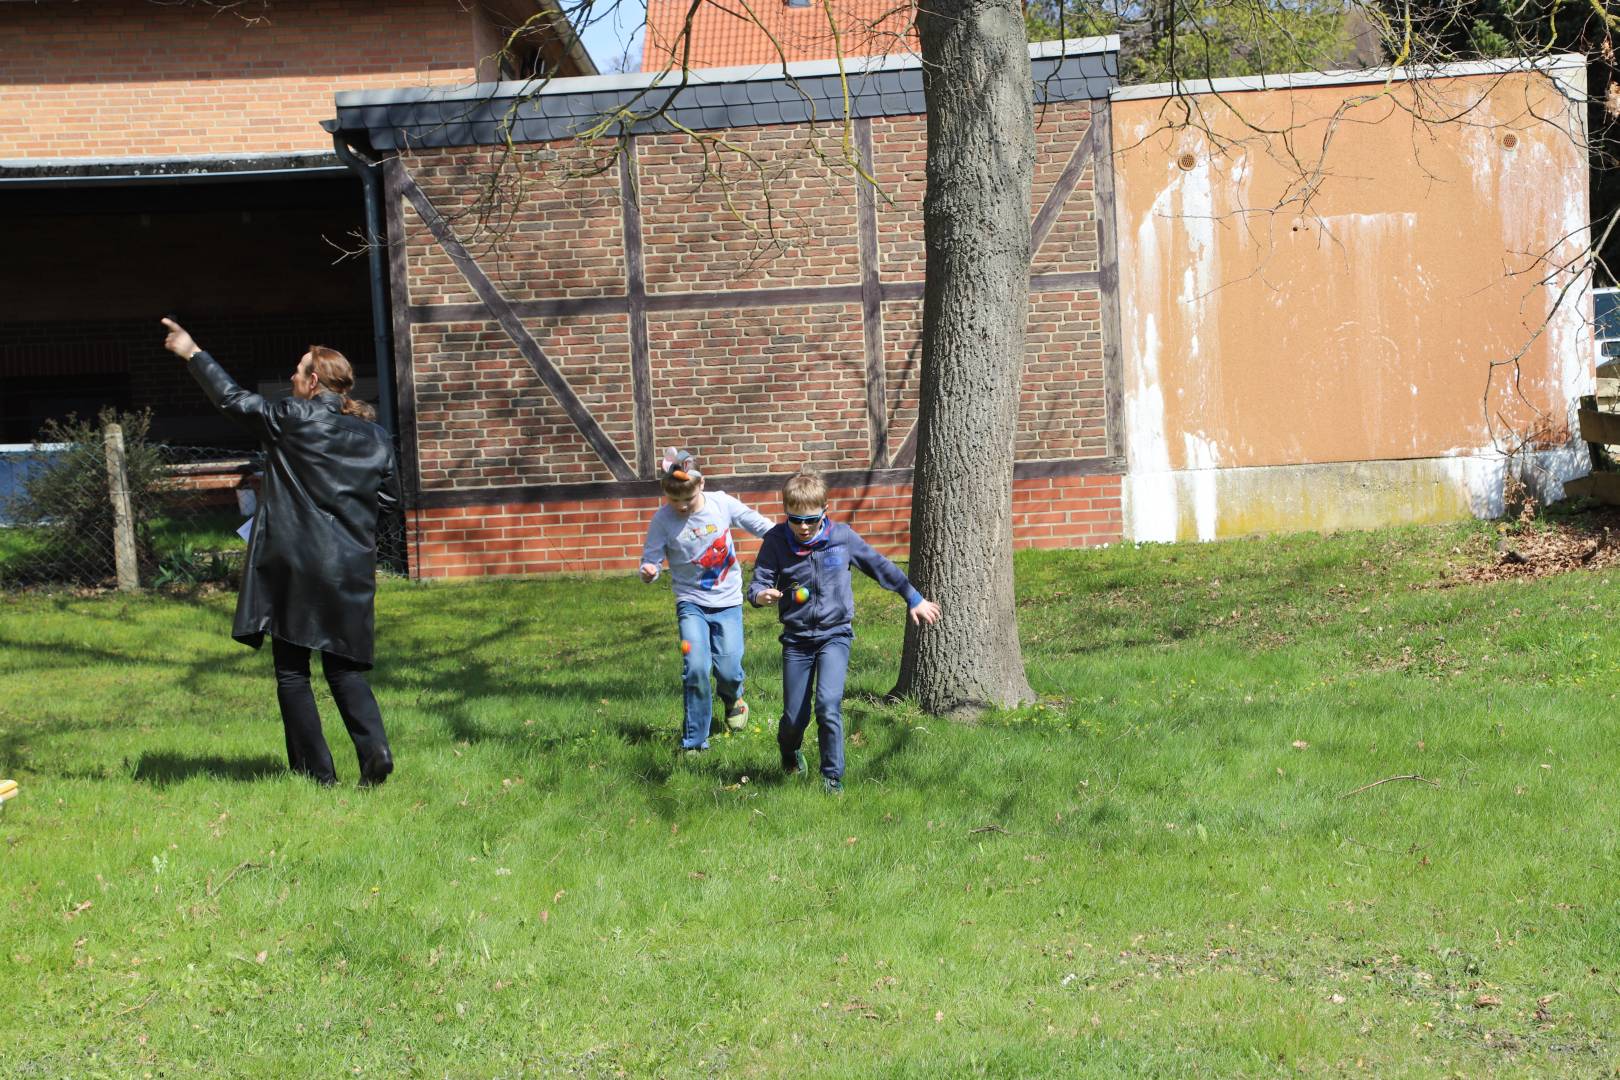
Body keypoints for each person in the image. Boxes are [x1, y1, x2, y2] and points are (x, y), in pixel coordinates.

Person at [161, 318, 399, 788]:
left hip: (294, 563)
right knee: (344, 666)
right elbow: (389, 504)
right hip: (351, 565)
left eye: (297, 372)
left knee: (292, 672)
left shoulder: (293, 417)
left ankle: (317, 776)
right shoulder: (376, 438)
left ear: (313, 381)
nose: (291, 378)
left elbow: (232, 400)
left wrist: (193, 352)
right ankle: (375, 750)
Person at [748, 468, 941, 793]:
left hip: (835, 636)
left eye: (811, 519)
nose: (804, 527)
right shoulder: (776, 541)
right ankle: (790, 751)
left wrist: (913, 597)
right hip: (796, 641)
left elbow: (879, 566)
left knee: (827, 703)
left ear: (825, 511)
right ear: (786, 515)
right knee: (794, 719)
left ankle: (832, 778)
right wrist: (760, 595)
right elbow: (759, 582)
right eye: (796, 520)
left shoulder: (842, 538)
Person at [639, 448, 773, 753]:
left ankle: (733, 698)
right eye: (675, 501)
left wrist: (786, 537)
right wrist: (649, 570)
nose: (682, 506)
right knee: (696, 668)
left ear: (701, 484)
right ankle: (695, 743)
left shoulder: (720, 503)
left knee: (728, 668)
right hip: (691, 603)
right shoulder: (663, 520)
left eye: (688, 499)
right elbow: (651, 558)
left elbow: (757, 524)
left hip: (727, 600)